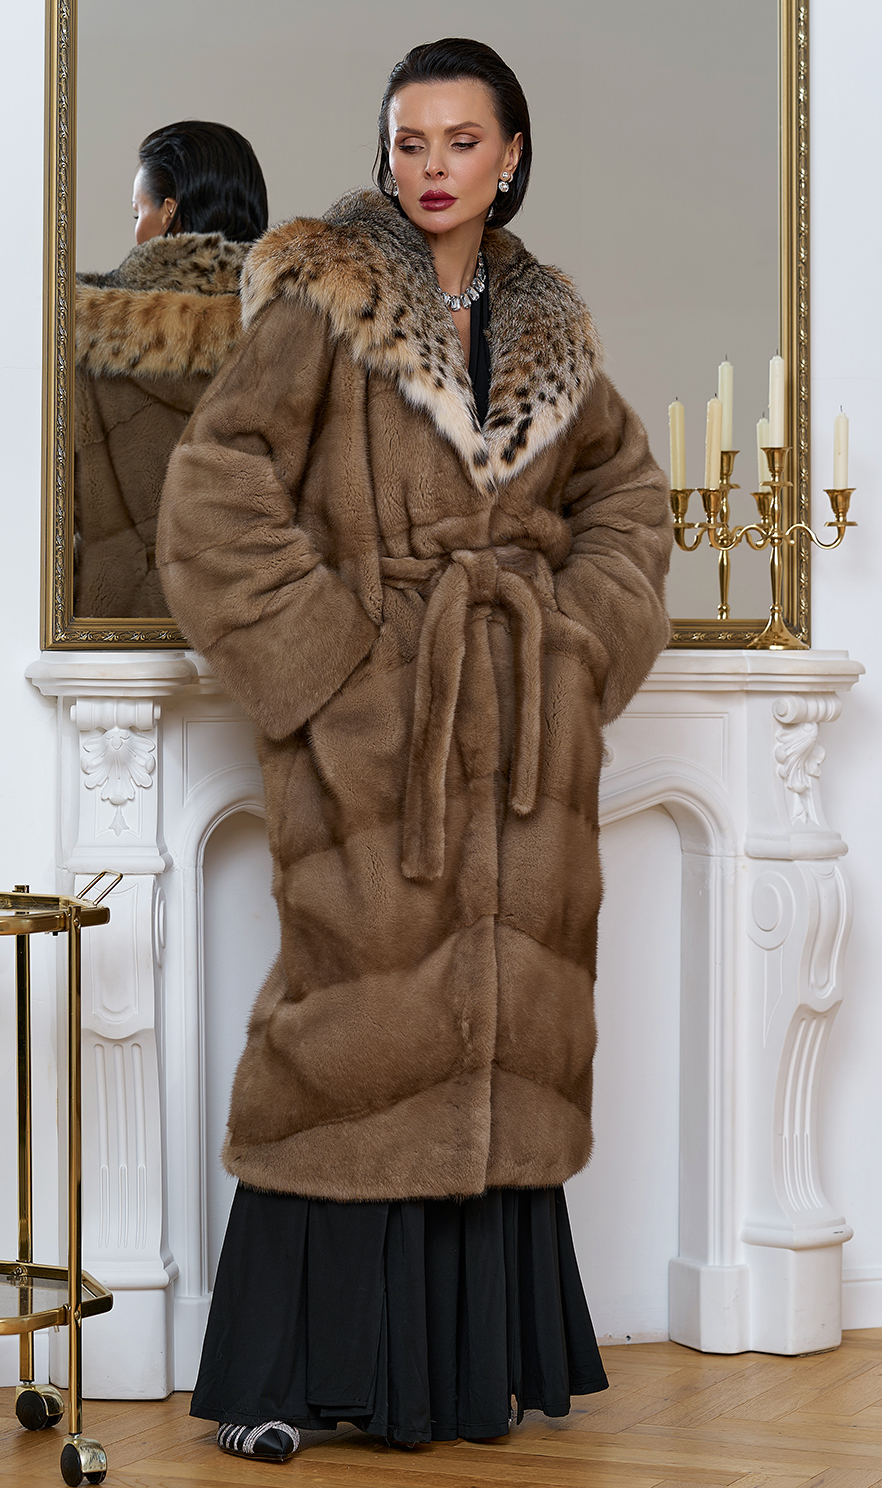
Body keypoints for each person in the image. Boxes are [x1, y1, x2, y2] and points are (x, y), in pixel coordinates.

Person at [157, 39, 672, 1464]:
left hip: (519, 734)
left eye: (460, 140)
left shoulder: (549, 326)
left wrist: (575, 646)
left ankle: (453, 1376)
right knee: (344, 1037)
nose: (432, 166)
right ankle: (275, 1373)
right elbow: (214, 491)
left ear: (510, 155)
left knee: (493, 1030)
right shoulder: (325, 296)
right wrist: (333, 675)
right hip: (380, 735)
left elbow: (628, 501)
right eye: (409, 140)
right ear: (385, 154)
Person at [73, 120, 267, 617]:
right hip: (251, 627)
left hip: (116, 627)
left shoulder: (84, 332)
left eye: (138, 211)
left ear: (168, 213)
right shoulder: (296, 331)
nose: (136, 227)